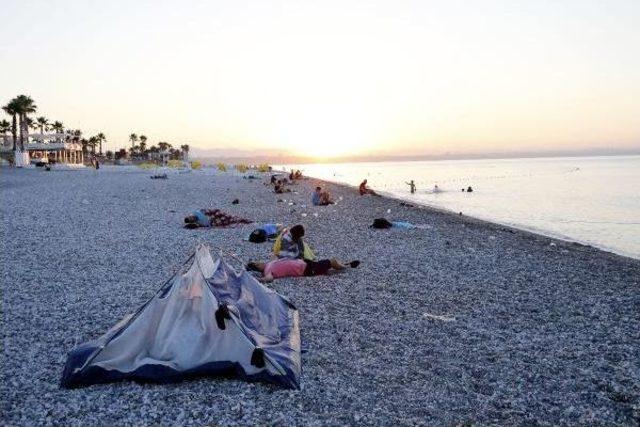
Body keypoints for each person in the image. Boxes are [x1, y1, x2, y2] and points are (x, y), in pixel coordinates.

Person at [246, 258, 360, 282]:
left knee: (328, 266)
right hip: (306, 270)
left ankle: (344, 264)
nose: (259, 262)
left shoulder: (269, 263)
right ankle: (347, 266)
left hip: (305, 264)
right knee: (331, 262)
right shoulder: (267, 271)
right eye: (257, 263)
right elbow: (269, 278)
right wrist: (259, 280)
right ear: (257, 267)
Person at [184, 209, 251, 229]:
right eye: (191, 220)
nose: (192, 218)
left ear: (190, 216)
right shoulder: (199, 223)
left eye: (191, 217)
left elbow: (211, 211)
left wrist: (214, 216)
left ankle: (244, 220)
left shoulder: (198, 212)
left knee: (230, 217)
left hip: (215, 215)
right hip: (214, 221)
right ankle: (242, 220)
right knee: (229, 221)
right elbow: (208, 225)